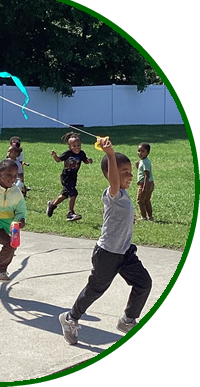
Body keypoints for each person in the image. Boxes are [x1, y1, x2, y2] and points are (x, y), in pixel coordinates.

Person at [58, 137, 152, 345]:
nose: (129, 175)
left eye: (129, 171)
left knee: (144, 283)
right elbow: (114, 182)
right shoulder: (113, 193)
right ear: (111, 176)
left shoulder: (124, 196)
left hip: (125, 252)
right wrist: (109, 153)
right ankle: (70, 318)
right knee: (95, 291)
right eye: (124, 172)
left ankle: (127, 319)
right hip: (108, 254)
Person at [46, 131, 93, 221]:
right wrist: (54, 156)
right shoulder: (68, 153)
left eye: (78, 145)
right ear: (70, 147)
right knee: (73, 193)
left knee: (65, 195)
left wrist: (88, 160)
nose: (77, 148)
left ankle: (52, 205)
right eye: (74, 146)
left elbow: (85, 160)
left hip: (73, 177)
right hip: (66, 177)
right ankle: (70, 213)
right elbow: (59, 160)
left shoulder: (81, 153)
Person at [136, 142, 154, 221]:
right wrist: (138, 166)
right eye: (139, 151)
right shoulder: (143, 161)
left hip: (145, 184)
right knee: (147, 200)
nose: (140, 153)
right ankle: (150, 216)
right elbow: (142, 172)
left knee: (140, 201)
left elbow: (147, 175)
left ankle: (143, 217)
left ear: (148, 152)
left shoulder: (145, 162)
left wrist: (144, 187)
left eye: (142, 151)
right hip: (150, 183)